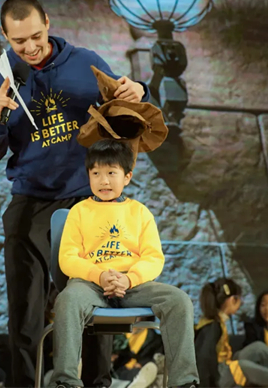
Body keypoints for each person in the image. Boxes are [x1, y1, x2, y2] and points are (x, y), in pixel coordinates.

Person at [0, 0, 150, 387]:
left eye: (36, 36)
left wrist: (140, 91)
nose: (31, 47)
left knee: (94, 299)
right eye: (20, 41)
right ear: (5, 36)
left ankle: (99, 382)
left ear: (48, 23)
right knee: (26, 309)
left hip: (85, 199)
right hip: (30, 200)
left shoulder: (85, 62)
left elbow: (126, 107)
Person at [49, 139, 200, 388]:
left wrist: (128, 279)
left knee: (179, 301)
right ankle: (66, 381)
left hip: (133, 285)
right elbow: (68, 258)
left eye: (111, 173)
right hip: (90, 285)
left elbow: (153, 257)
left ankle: (184, 382)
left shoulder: (140, 212)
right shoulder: (79, 211)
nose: (104, 181)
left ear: (127, 177)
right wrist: (99, 276)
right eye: (96, 173)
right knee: (67, 299)